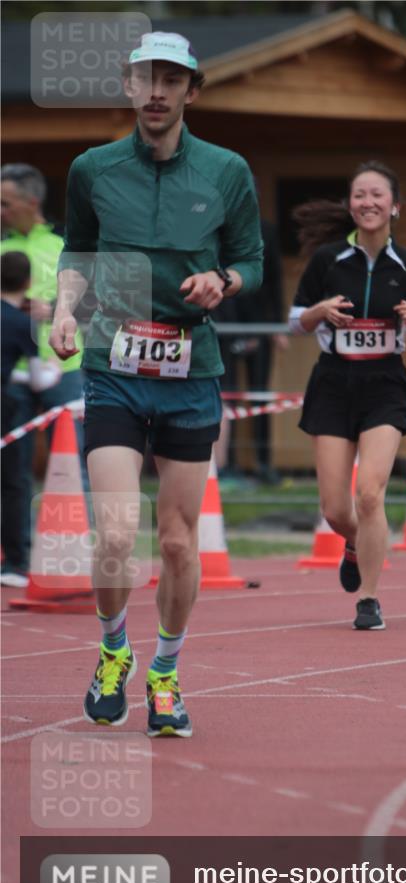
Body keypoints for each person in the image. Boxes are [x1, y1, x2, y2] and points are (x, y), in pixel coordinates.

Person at [49, 32, 263, 737]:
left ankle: (165, 673)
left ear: (191, 91)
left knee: (175, 542)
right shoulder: (93, 167)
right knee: (114, 533)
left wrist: (222, 281)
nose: (156, 91)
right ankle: (113, 651)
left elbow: (250, 262)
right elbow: (76, 249)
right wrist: (62, 311)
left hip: (188, 374)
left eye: (170, 79)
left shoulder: (227, 169)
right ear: (128, 84)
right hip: (112, 361)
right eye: (145, 78)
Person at [289, 161, 406, 631]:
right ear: (350, 205)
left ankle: (369, 599)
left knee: (370, 494)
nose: (368, 202)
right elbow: (295, 322)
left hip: (384, 387)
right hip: (333, 384)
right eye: (359, 195)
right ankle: (355, 542)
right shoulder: (327, 261)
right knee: (337, 509)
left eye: (377, 195)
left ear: (395, 206)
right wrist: (318, 311)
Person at [0, 163, 85, 566]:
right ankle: (18, 559)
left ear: (31, 203)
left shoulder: (66, 244)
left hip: (65, 369)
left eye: (6, 203)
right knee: (12, 470)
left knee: (72, 465)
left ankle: (74, 556)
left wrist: (53, 309)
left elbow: (107, 300)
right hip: (12, 373)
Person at [1, 251, 62, 586]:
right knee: (11, 481)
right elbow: (39, 380)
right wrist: (52, 372)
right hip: (3, 407)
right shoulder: (22, 323)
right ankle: (13, 563)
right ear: (26, 283)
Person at [214, 217, 287, 485]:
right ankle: (227, 465)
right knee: (227, 395)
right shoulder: (217, 227)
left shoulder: (266, 230)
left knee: (259, 395)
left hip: (260, 324)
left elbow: (275, 279)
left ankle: (263, 463)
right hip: (225, 323)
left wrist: (277, 325)